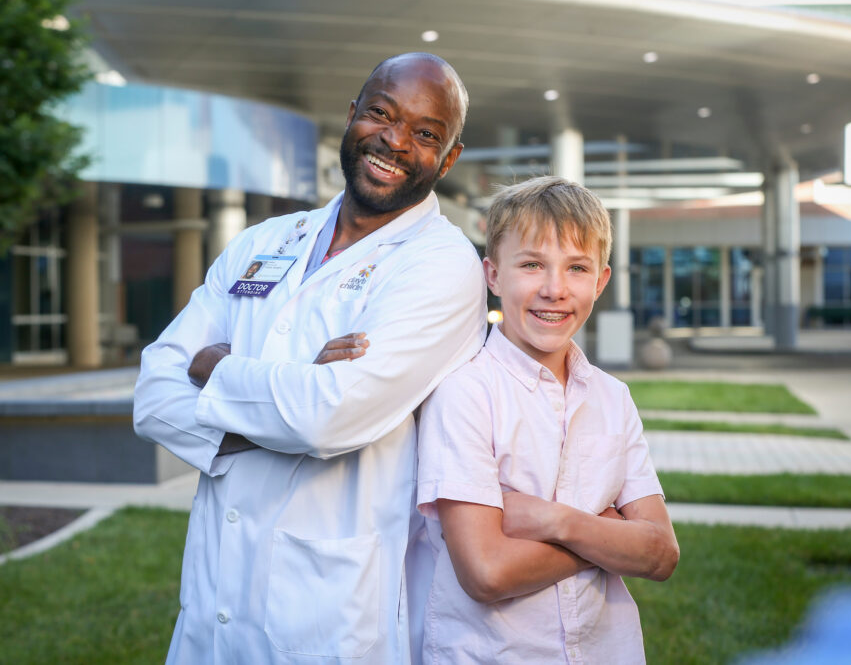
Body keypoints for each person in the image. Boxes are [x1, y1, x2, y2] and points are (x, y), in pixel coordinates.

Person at [133, 52, 487, 663]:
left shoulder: (442, 265)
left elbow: (329, 419)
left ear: (448, 159)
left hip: (330, 615)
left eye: (425, 134)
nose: (395, 141)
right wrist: (293, 391)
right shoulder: (265, 241)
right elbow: (154, 395)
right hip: (212, 604)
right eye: (381, 113)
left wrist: (215, 370)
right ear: (352, 116)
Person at [416, 176, 680, 664]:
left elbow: (661, 554)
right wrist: (606, 535)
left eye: (577, 268)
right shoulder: (465, 393)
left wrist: (554, 519)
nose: (555, 289)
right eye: (532, 264)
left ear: (600, 282)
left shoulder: (612, 397)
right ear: (493, 275)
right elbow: (487, 573)